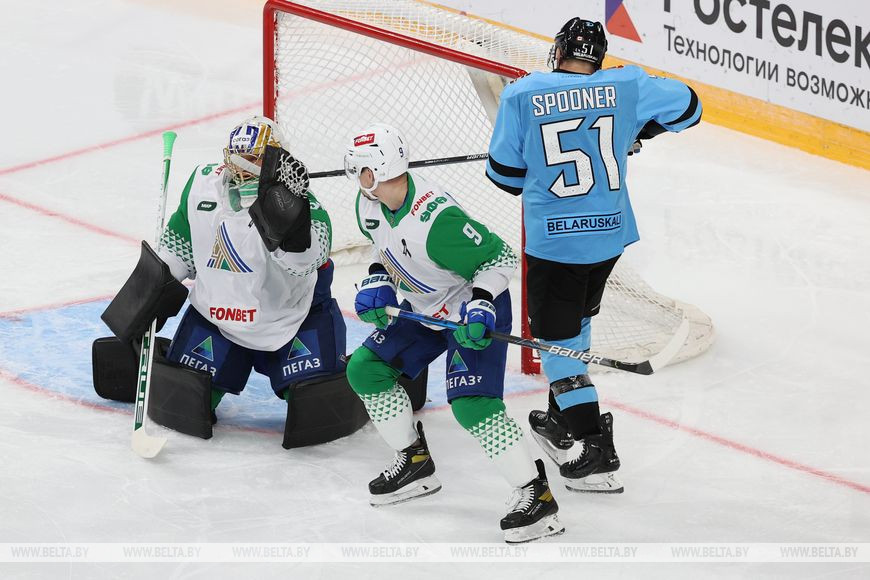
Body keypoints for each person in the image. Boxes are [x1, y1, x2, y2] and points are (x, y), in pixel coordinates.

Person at [486, 18, 703, 493]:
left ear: (559, 50)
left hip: (556, 243)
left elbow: (505, 176)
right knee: (577, 324)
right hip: (608, 236)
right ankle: (562, 419)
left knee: (555, 346)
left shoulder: (522, 93)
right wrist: (633, 130)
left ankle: (594, 446)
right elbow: (690, 107)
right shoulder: (627, 84)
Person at [343, 123, 563, 543]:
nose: (356, 178)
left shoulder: (436, 222)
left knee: (472, 406)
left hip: (472, 313)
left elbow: (500, 258)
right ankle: (415, 462)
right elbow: (382, 246)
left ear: (377, 170)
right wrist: (377, 277)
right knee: (365, 369)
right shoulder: (367, 204)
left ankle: (537, 495)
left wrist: (480, 302)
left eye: (360, 170)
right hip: (425, 308)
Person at [155, 115, 346, 420]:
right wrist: (155, 286)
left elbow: (307, 261)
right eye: (237, 157)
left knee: (316, 412)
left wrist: (288, 221)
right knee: (184, 406)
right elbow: (180, 247)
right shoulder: (203, 184)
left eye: (254, 158)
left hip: (288, 319)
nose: (242, 167)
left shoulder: (305, 206)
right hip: (217, 319)